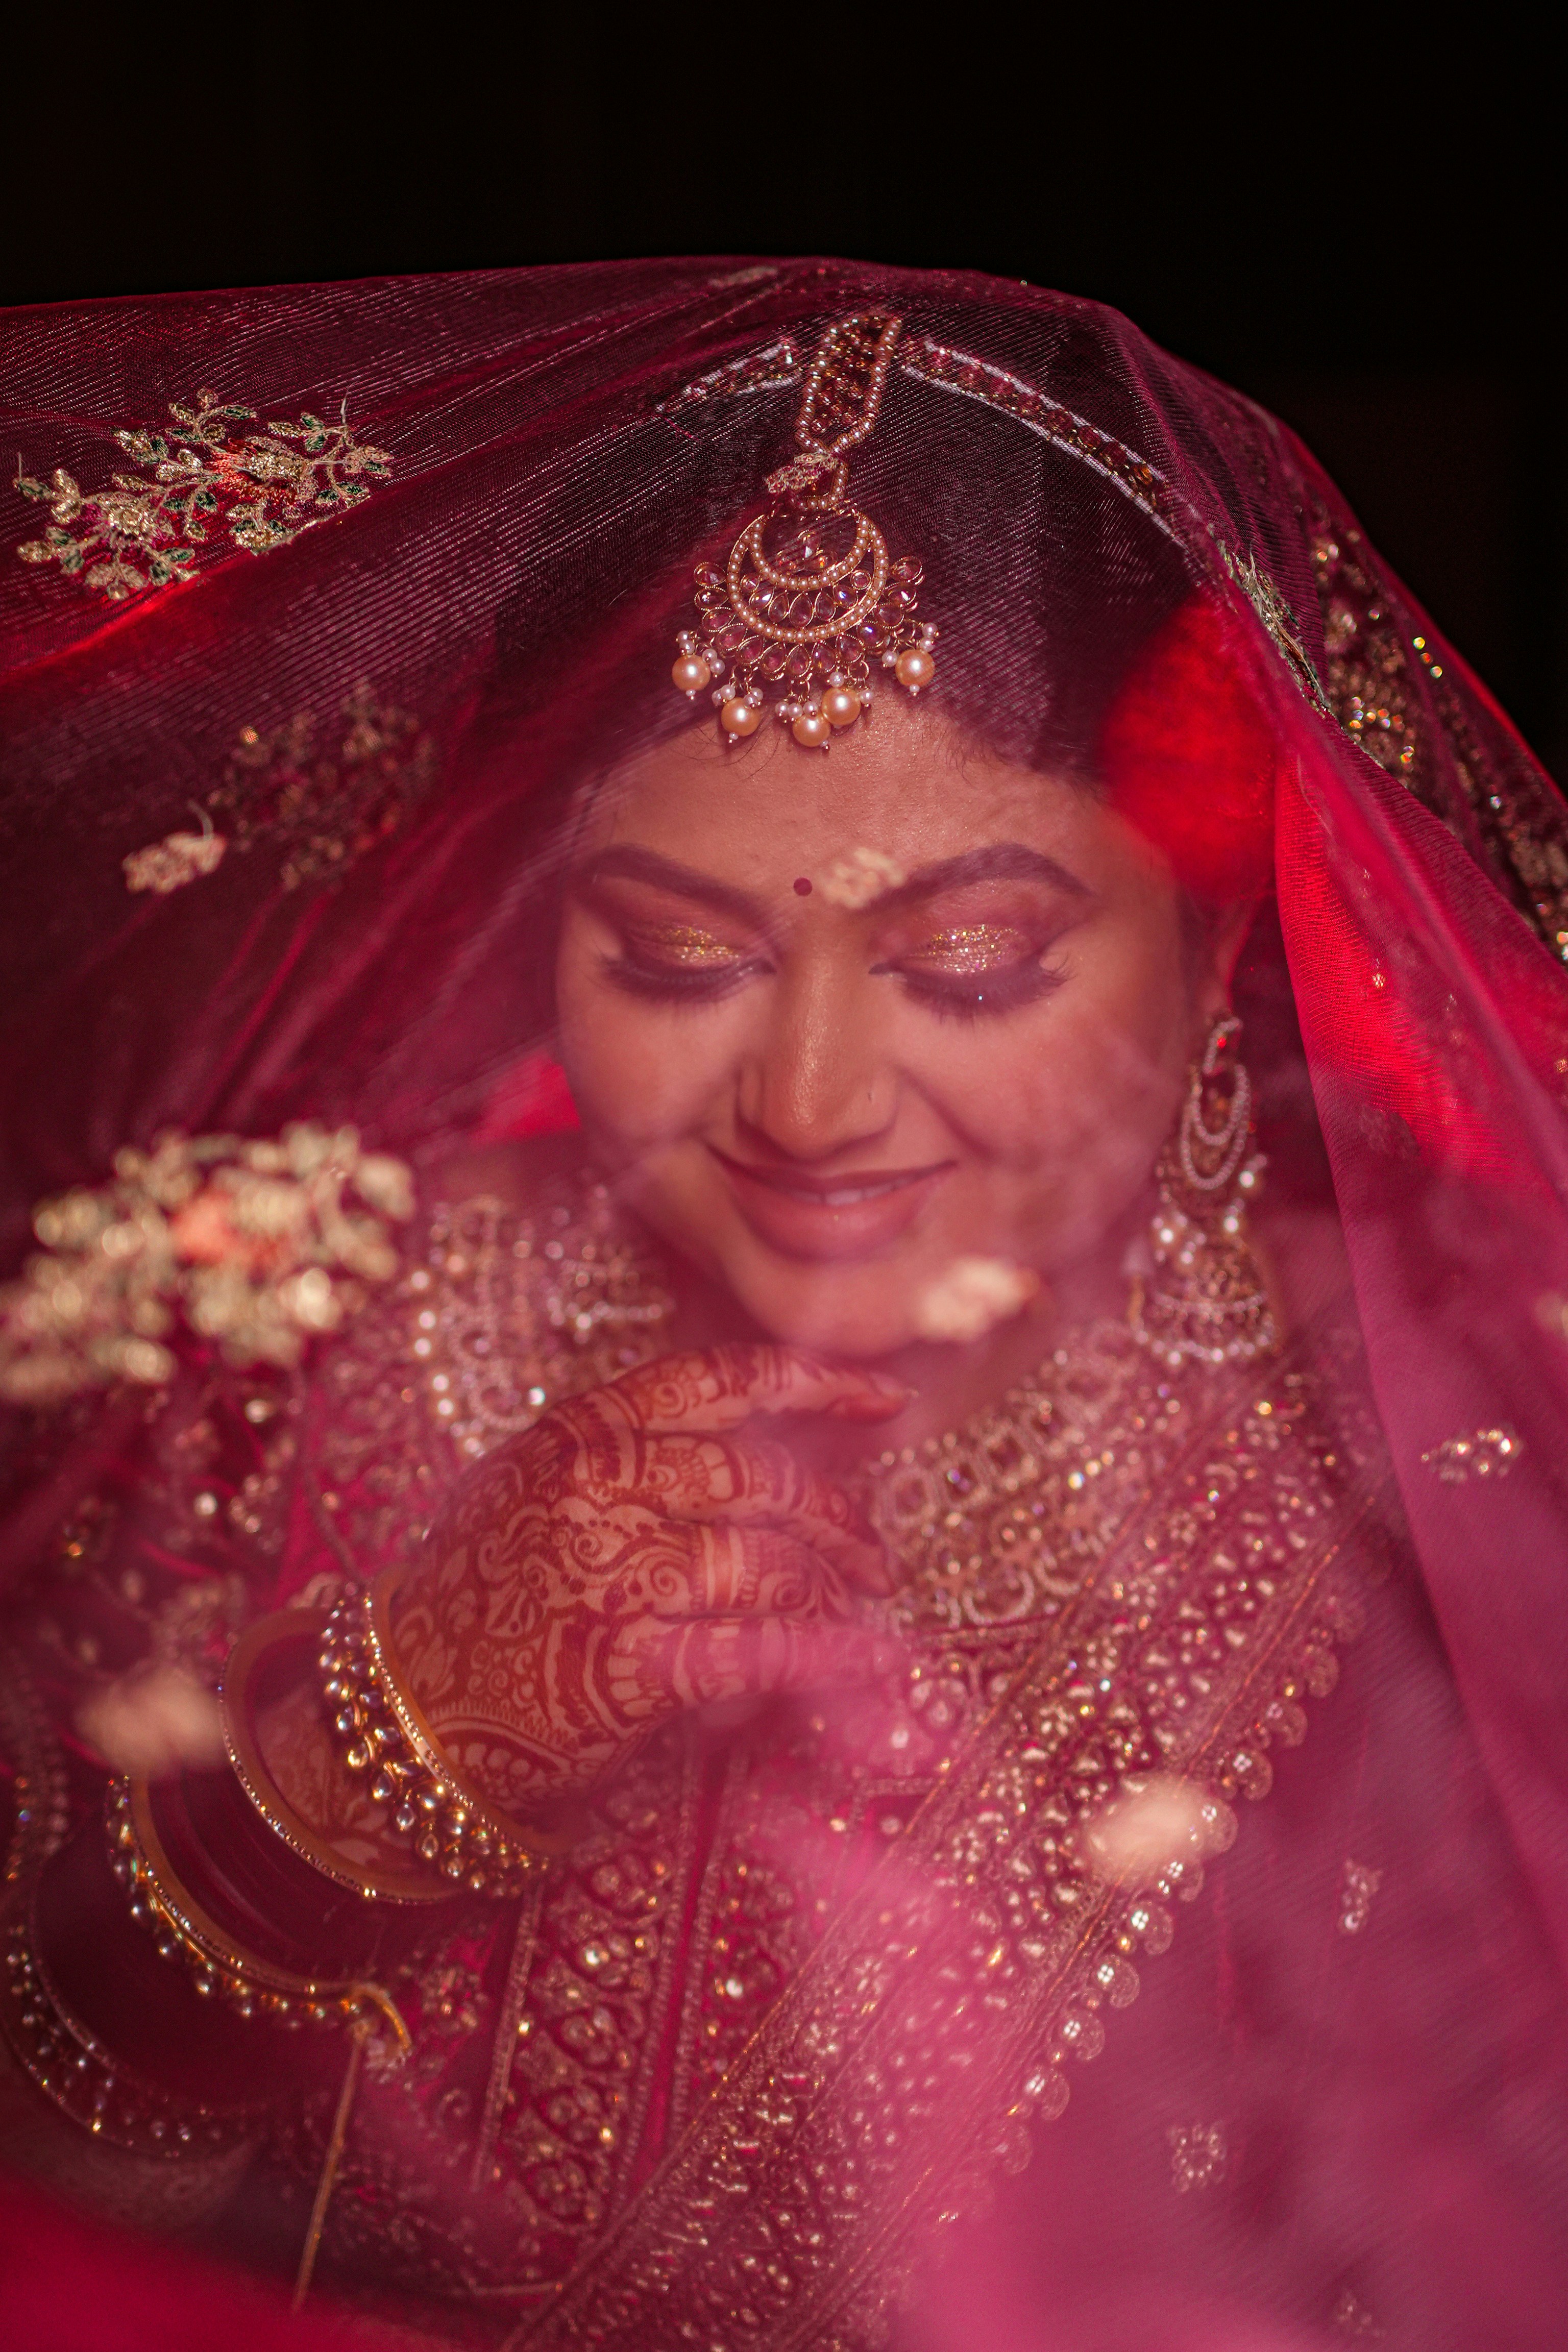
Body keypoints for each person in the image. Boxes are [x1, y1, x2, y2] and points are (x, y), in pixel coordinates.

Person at [1, 267, 1566, 2352]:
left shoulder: (1440, 1510)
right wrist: (340, 1798)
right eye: (667, 954)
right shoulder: (288, 1321)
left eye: (978, 964)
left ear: (1208, 963)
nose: (808, 1109)